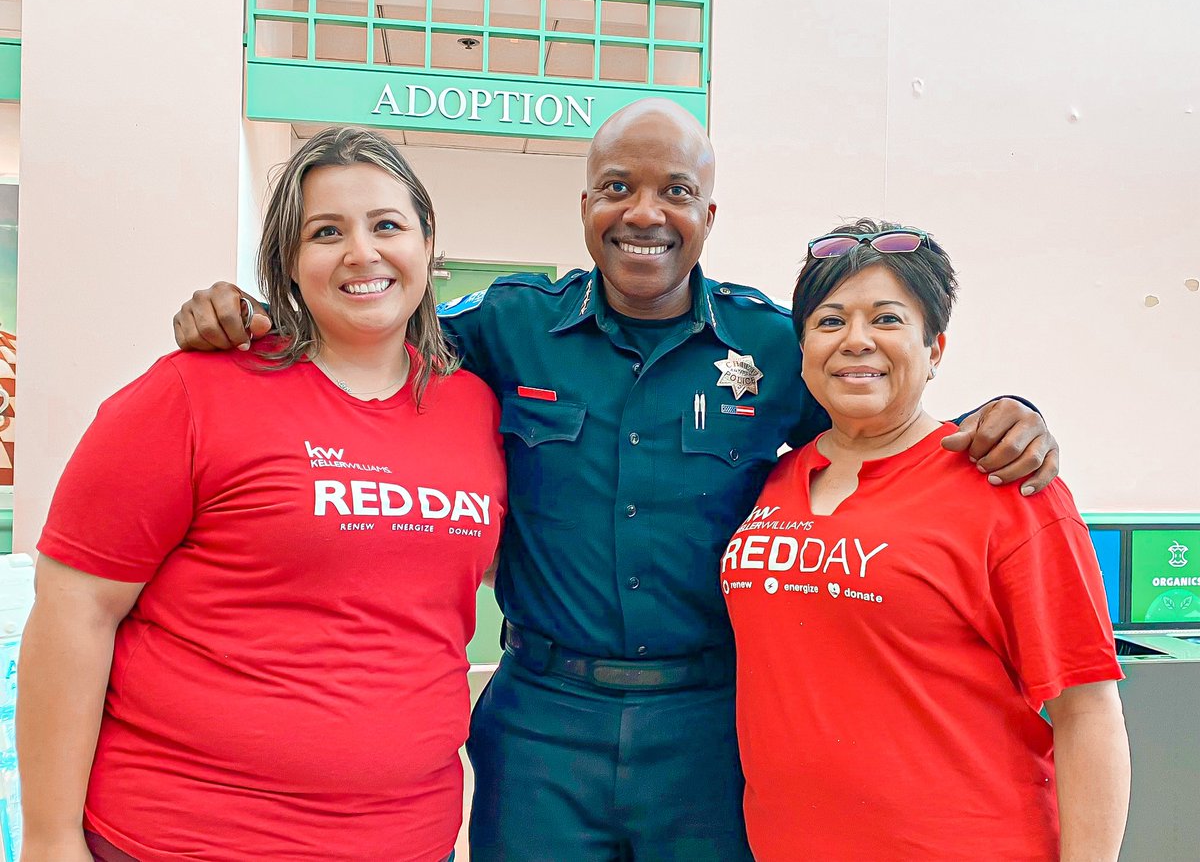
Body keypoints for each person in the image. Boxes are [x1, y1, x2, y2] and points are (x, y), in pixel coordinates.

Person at [170, 99, 1060, 861]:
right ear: (586, 203)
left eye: (675, 191)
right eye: (618, 187)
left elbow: (880, 420)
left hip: (710, 730)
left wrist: (1006, 413)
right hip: (542, 725)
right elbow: (366, 331)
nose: (645, 213)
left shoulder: (771, 345)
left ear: (709, 213)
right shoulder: (509, 326)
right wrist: (258, 319)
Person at [18, 127, 506, 862]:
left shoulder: (475, 407)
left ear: (427, 243)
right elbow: (73, 610)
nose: (362, 252)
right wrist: (50, 837)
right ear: (288, 262)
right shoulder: (194, 391)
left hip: (404, 838)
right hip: (181, 837)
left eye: (387, 225)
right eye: (326, 232)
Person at [722, 220, 1129, 861]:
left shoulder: (1008, 490)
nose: (856, 340)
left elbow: (1088, 711)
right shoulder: (772, 482)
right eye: (830, 322)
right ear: (802, 350)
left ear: (935, 349)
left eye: (887, 319)